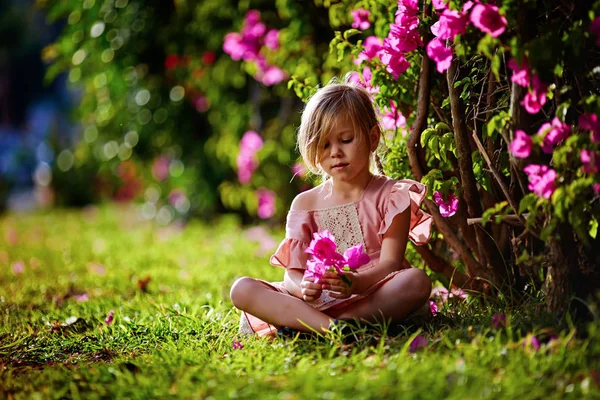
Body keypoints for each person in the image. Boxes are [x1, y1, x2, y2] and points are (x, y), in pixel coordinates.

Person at [230, 76, 433, 337]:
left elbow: (391, 264)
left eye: (346, 140)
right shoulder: (306, 204)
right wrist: (304, 287)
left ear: (372, 138)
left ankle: (323, 324)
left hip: (370, 294)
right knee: (242, 289)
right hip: (313, 302)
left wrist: (355, 283)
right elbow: (293, 273)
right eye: (324, 145)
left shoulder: (393, 195)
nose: (335, 152)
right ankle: (331, 328)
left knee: (416, 281)